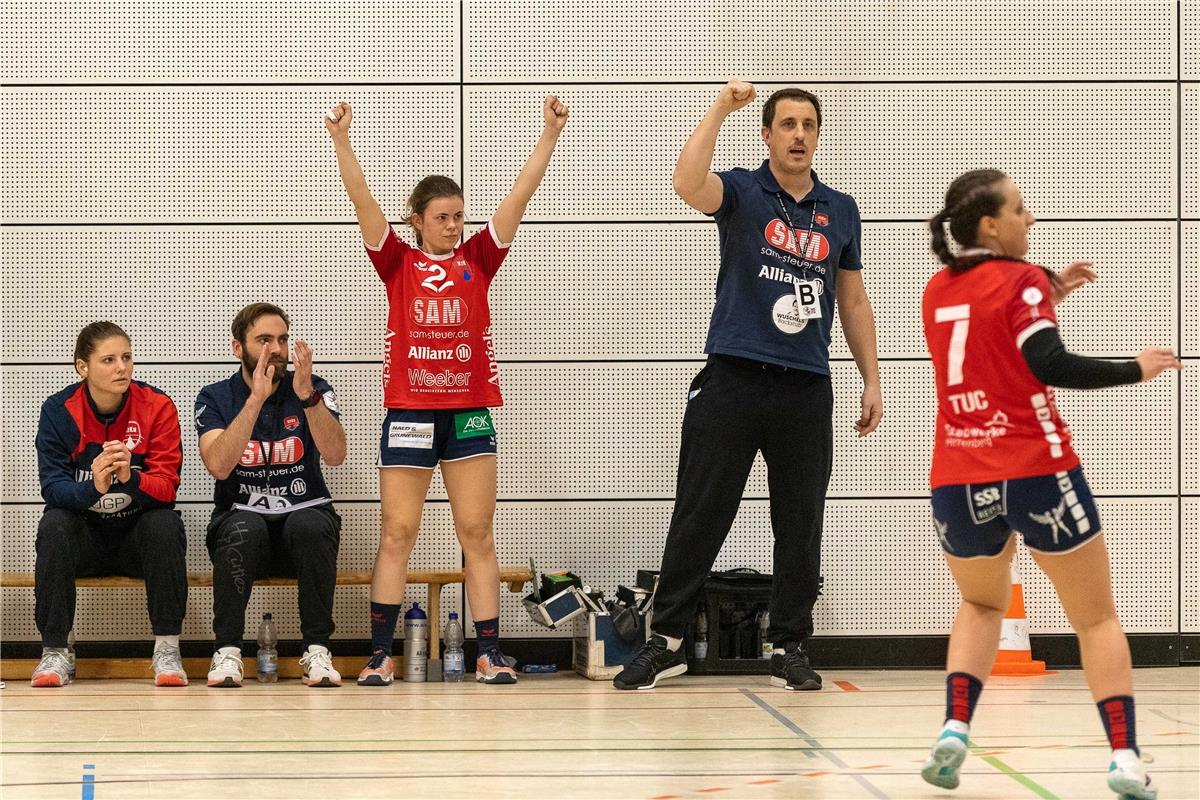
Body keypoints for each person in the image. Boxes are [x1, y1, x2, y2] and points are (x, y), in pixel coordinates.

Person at [613, 82, 882, 691]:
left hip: (805, 386)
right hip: (733, 375)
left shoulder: (840, 210)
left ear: (818, 135)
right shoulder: (741, 189)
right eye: (786, 124)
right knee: (700, 511)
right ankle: (669, 639)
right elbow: (686, 183)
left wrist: (871, 376)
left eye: (808, 125)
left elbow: (854, 298)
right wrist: (719, 108)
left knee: (800, 522)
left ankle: (788, 644)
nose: (798, 135)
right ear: (766, 134)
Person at [918, 169, 1177, 799]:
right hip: (1036, 468)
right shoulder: (1022, 281)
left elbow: (991, 336)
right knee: (1095, 620)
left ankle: (955, 729)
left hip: (958, 476)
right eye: (1020, 209)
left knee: (981, 605)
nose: (1029, 219)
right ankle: (1124, 758)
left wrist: (1051, 290)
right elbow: (1046, 362)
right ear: (990, 224)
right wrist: (1134, 367)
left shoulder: (938, 289)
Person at [325, 95, 568, 685]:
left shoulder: (480, 259)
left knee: (478, 533)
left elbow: (519, 196)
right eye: (442, 217)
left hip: (468, 411)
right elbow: (362, 200)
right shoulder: (396, 262)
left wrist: (549, 134)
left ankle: (488, 653)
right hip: (409, 409)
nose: (454, 225)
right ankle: (381, 655)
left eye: (459, 215)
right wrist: (341, 140)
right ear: (417, 220)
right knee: (397, 532)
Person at [195, 303, 347, 688]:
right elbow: (219, 466)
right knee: (243, 526)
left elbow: (335, 455)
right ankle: (227, 651)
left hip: (302, 523)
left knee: (312, 523)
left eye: (281, 339)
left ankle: (317, 650)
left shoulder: (314, 389)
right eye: (263, 340)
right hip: (243, 528)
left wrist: (308, 397)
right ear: (238, 348)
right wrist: (255, 400)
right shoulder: (214, 397)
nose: (275, 349)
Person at [32, 322, 187, 687]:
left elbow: (167, 488)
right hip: (85, 540)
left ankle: (167, 649)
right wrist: (95, 487)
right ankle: (56, 651)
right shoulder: (59, 411)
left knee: (165, 523)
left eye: (127, 357)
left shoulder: (157, 406)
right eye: (109, 360)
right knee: (55, 523)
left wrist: (130, 478)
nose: (122, 367)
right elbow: (53, 489)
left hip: (136, 539)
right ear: (82, 367)